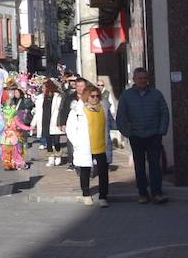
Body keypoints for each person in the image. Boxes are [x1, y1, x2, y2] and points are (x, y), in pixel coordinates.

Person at [116, 67, 171, 205]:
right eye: (140, 78)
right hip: (136, 135)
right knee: (139, 166)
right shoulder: (126, 96)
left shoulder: (156, 94)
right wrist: (127, 133)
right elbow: (121, 117)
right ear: (134, 80)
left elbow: (164, 113)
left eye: (145, 78)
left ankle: (157, 193)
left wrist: (161, 130)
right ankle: (143, 193)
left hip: (154, 135)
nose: (143, 81)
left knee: (155, 165)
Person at [66, 85, 114, 206]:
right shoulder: (78, 111)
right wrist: (76, 143)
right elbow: (70, 129)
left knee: (103, 172)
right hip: (85, 146)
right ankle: (86, 194)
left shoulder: (104, 109)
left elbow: (111, 123)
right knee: (85, 170)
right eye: (92, 96)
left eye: (98, 96)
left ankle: (103, 196)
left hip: (101, 146)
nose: (95, 98)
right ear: (87, 97)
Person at [35, 78, 64, 167]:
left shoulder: (57, 96)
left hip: (54, 121)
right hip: (45, 121)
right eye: (42, 88)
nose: (43, 90)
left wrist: (61, 122)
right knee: (48, 141)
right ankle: (51, 159)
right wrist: (33, 124)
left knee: (56, 141)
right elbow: (38, 111)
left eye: (44, 88)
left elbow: (61, 110)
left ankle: (58, 156)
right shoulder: (40, 98)